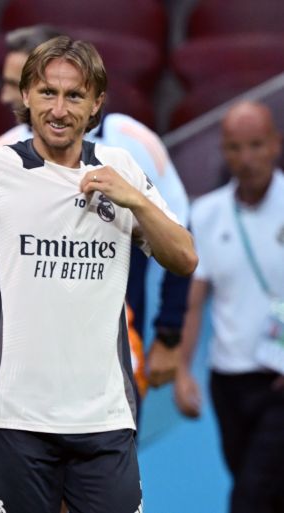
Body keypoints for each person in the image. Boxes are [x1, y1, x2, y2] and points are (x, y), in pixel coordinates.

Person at [0, 36, 197, 513]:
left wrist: (136, 200)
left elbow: (184, 257)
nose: (59, 110)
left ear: (96, 103)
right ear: (26, 95)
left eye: (74, 95)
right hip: (17, 418)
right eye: (47, 93)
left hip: (105, 419)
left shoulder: (121, 168)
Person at [0, 25, 190, 414]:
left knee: (116, 445)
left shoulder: (133, 146)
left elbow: (179, 233)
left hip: (117, 349)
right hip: (26, 364)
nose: (7, 95)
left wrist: (169, 332)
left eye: (14, 82)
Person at [174, 100, 284, 513]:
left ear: (275, 144)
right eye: (235, 147)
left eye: (256, 145)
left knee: (249, 499)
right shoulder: (205, 214)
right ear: (223, 151)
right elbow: (194, 301)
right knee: (257, 487)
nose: (247, 158)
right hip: (228, 381)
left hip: (279, 382)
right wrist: (182, 370)